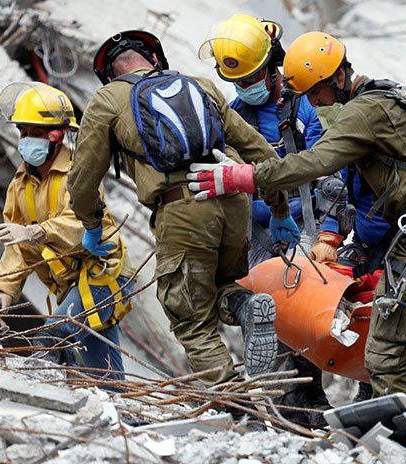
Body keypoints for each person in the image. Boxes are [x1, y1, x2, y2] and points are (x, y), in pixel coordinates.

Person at [187, 31, 406, 462]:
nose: (315, 102)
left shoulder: (363, 112)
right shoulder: (386, 98)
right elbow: (361, 188)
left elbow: (315, 162)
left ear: (329, 81)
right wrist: (334, 235)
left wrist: (244, 178)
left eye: (314, 92)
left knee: (384, 352)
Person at [66, 30, 297, 392]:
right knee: (222, 285)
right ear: (156, 60)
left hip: (183, 209)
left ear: (110, 75)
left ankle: (238, 409)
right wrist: (279, 208)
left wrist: (91, 224)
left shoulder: (108, 98)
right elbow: (259, 152)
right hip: (235, 203)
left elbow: (82, 178)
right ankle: (244, 306)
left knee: (191, 319)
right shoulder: (199, 85)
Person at [199, 14, 331, 428]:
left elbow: (330, 167)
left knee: (312, 318)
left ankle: (327, 399)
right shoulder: (232, 115)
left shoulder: (304, 106)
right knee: (267, 318)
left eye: (252, 78)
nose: (245, 88)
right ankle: (288, 408)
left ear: (273, 68)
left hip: (306, 224)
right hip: (256, 233)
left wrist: (330, 230)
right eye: (237, 82)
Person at [0, 82, 135, 382]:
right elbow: (18, 246)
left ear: (57, 135)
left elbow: (83, 222)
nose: (27, 140)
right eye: (24, 133)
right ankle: (121, 412)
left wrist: (36, 232)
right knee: (100, 366)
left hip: (103, 274)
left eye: (37, 134)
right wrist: (5, 289)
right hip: (70, 283)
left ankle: (43, 385)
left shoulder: (79, 174)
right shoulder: (20, 186)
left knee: (55, 333)